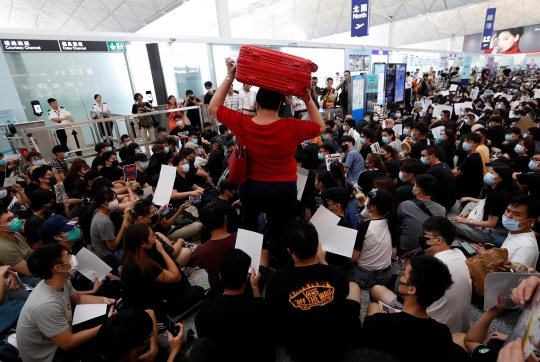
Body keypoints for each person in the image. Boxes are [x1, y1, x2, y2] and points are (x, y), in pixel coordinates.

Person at [208, 58, 324, 246]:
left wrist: (230, 77)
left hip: (251, 187)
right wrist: (307, 97)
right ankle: (279, 263)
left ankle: (252, 266)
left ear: (256, 104)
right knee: (282, 231)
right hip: (283, 187)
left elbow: (213, 107)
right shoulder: (292, 126)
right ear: (280, 106)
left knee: (250, 227)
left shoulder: (243, 122)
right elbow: (320, 127)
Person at [265, 220, 361, 362]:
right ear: (317, 247)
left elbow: (271, 314)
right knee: (353, 286)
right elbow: (341, 289)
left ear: (289, 250)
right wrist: (324, 263)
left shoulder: (277, 279)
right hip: (338, 344)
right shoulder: (336, 272)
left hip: (300, 349)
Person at [16, 243, 116, 362]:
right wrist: (106, 326)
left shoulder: (60, 280)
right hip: (52, 354)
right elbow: (68, 343)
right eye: (68, 256)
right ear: (58, 268)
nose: (72, 256)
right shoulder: (46, 305)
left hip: (63, 335)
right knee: (110, 341)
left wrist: (104, 301)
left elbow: (77, 298)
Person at [362, 255, 454, 362]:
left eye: (404, 274)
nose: (400, 278)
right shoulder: (443, 334)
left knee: (373, 306)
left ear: (411, 289)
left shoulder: (378, 323)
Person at [195, 249, 274, 362]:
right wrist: (255, 287)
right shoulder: (260, 308)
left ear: (221, 277)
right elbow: (268, 331)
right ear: (247, 277)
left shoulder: (204, 312)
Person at [121, 223, 204, 322]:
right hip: (150, 311)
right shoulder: (142, 265)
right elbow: (176, 277)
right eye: (152, 235)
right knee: (197, 291)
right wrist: (162, 251)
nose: (155, 237)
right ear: (143, 243)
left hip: (152, 295)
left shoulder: (133, 254)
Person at [82, 308, 186, 362]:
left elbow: (150, 312)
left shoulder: (107, 336)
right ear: (134, 351)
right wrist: (174, 350)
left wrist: (153, 351)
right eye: (150, 335)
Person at [451, 162, 513, 244]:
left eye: (492, 173)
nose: (488, 174)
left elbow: (491, 223)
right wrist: (468, 211)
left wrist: (466, 222)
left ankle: (464, 225)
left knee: (451, 223)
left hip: (491, 232)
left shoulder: (498, 196)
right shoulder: (494, 188)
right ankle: (464, 223)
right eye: (489, 171)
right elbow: (484, 202)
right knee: (470, 204)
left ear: (500, 178)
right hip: (485, 220)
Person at [350, 189, 397, 288]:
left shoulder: (364, 226)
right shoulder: (391, 222)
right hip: (386, 274)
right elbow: (394, 250)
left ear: (373, 207)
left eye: (368, 200)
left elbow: (354, 258)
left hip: (362, 276)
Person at [397, 174, 445, 253]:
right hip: (430, 247)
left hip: (406, 249)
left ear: (418, 190)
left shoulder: (404, 205)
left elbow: (397, 225)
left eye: (415, 185)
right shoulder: (440, 209)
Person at [500, 195, 540, 268]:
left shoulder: (525, 246)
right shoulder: (515, 233)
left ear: (530, 221)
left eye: (516, 214)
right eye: (508, 211)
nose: (508, 216)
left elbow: (516, 278)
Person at [90, 188, 128, 264]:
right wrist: (124, 225)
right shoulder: (104, 222)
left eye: (115, 198)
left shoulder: (101, 210)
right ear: (103, 204)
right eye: (112, 200)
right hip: (108, 255)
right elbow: (112, 246)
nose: (115, 201)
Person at [423, 146, 456, 212]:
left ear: (432, 156)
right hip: (451, 201)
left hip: (442, 205)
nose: (422, 158)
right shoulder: (445, 165)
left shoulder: (431, 171)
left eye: (423, 156)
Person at [454, 133, 484, 200]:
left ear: (476, 144)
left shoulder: (472, 159)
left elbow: (456, 175)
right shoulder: (470, 156)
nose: (465, 143)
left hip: (469, 191)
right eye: (465, 140)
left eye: (469, 141)